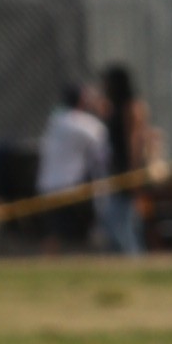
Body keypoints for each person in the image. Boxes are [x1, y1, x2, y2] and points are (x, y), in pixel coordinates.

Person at [35, 81, 110, 244]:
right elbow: (105, 141)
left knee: (56, 233)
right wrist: (100, 108)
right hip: (69, 187)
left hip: (48, 185)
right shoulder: (81, 123)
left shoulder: (56, 120)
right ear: (82, 100)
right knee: (70, 235)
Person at [94, 61, 154, 258]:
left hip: (126, 172)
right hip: (114, 171)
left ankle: (134, 258)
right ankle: (129, 257)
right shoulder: (114, 108)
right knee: (116, 220)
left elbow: (135, 142)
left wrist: (134, 175)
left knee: (122, 222)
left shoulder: (131, 107)